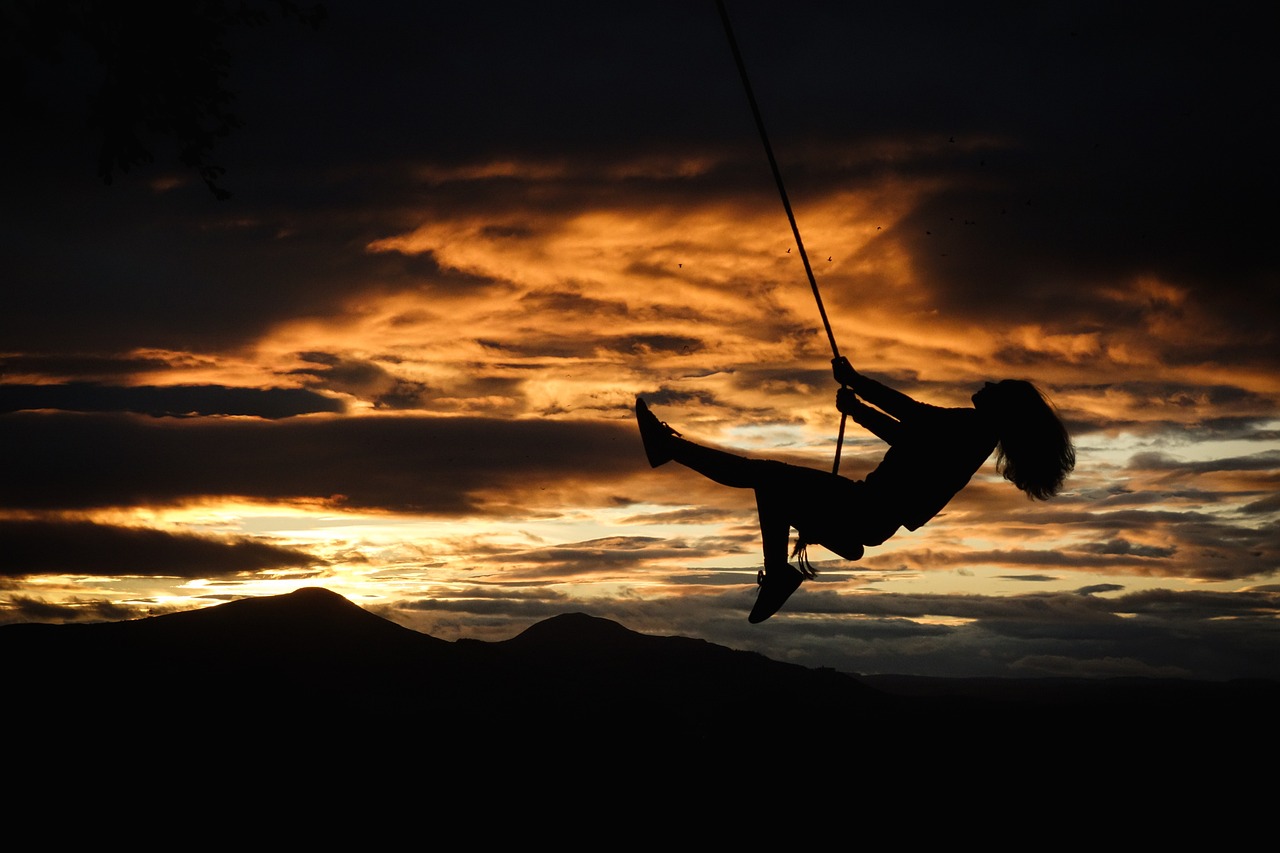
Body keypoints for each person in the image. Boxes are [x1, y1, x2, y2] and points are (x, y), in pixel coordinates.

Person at [636, 356, 1075, 623]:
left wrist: (857, 385)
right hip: (868, 511)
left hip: (865, 508)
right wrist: (857, 405)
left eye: (996, 389)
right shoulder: (972, 434)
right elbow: (909, 435)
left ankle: (671, 449)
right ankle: (826, 542)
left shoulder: (970, 428)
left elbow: (912, 417)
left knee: (767, 477)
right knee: (772, 484)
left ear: (1004, 410)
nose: (987, 386)